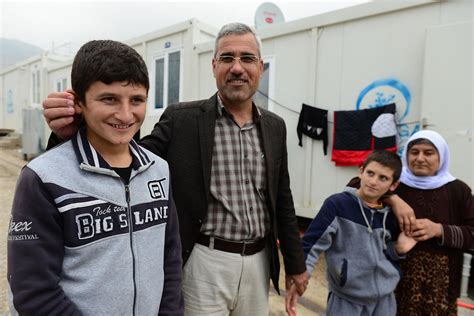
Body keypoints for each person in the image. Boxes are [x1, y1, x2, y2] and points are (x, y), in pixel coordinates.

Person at [42, 23, 307, 315]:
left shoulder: (274, 126)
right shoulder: (183, 119)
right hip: (203, 261)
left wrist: (296, 265)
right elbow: (127, 157)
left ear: (260, 66)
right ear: (214, 65)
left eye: (247, 58)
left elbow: (282, 198)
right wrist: (68, 132)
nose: (237, 67)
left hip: (259, 262)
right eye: (227, 58)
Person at [8, 40, 183, 315]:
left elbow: (170, 262)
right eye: (109, 99)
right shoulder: (43, 178)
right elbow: (34, 292)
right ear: (78, 102)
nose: (125, 114)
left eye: (136, 100)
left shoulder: (159, 170)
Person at [287, 150, 417, 316]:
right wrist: (300, 280)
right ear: (361, 171)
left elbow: (384, 252)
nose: (373, 182)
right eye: (370, 173)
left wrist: (398, 249)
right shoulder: (337, 205)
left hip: (384, 301)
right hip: (346, 301)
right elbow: (311, 245)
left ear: (393, 185)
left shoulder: (390, 215)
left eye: (383, 178)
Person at [392, 130, 474, 315]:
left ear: (441, 157)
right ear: (406, 155)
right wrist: (393, 199)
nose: (420, 158)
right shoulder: (394, 183)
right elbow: (357, 186)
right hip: (396, 277)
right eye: (414, 152)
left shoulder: (458, 190)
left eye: (428, 153)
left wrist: (439, 230)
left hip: (441, 282)